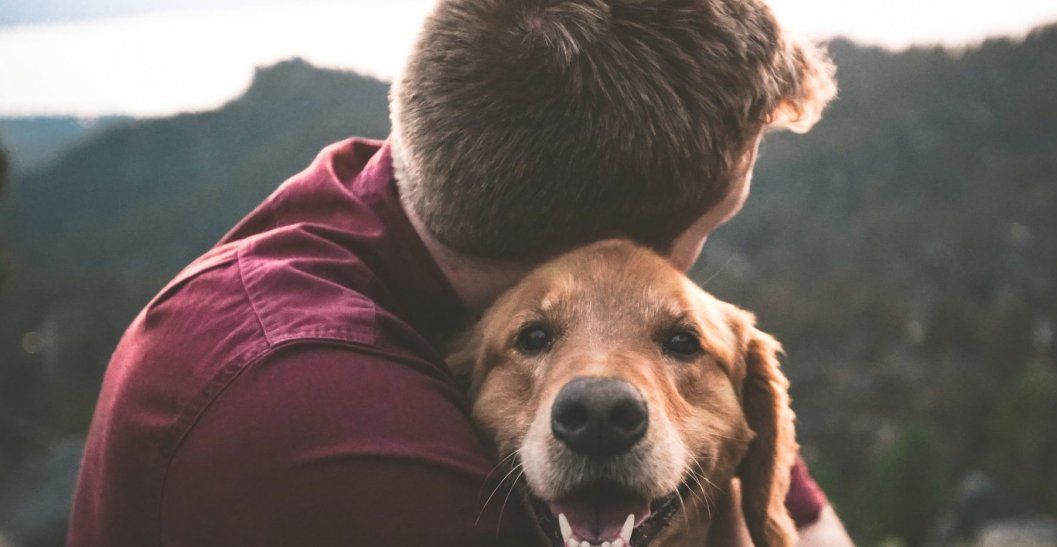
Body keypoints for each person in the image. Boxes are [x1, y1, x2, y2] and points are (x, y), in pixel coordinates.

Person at [68, 0, 848, 545]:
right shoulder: (319, 421)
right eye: (708, 229)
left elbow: (803, 524)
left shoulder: (400, 197)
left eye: (673, 333)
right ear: (603, 248)